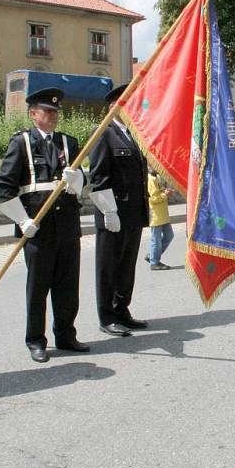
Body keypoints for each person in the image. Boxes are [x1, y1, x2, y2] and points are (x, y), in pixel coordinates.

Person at [0, 88, 88, 363]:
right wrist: (22, 220)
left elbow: (81, 185)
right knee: (38, 287)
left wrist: (76, 181)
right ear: (33, 114)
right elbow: (5, 188)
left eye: (55, 111)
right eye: (47, 111)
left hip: (67, 226)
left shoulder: (68, 143)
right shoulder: (21, 143)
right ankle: (36, 340)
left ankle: (66, 335)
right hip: (37, 228)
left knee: (67, 285)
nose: (52, 115)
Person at [89, 84, 149, 337]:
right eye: (125, 103)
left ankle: (122, 309)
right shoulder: (103, 133)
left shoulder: (132, 135)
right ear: (113, 106)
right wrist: (108, 211)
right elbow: (98, 177)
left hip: (133, 213)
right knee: (108, 267)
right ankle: (107, 316)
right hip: (113, 214)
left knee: (126, 266)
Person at [146, 168, 174, 270]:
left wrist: (166, 192)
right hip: (155, 215)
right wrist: (165, 195)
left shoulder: (157, 177)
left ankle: (152, 256)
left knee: (169, 235)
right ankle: (154, 262)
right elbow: (152, 198)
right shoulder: (149, 179)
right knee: (156, 239)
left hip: (163, 214)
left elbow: (159, 192)